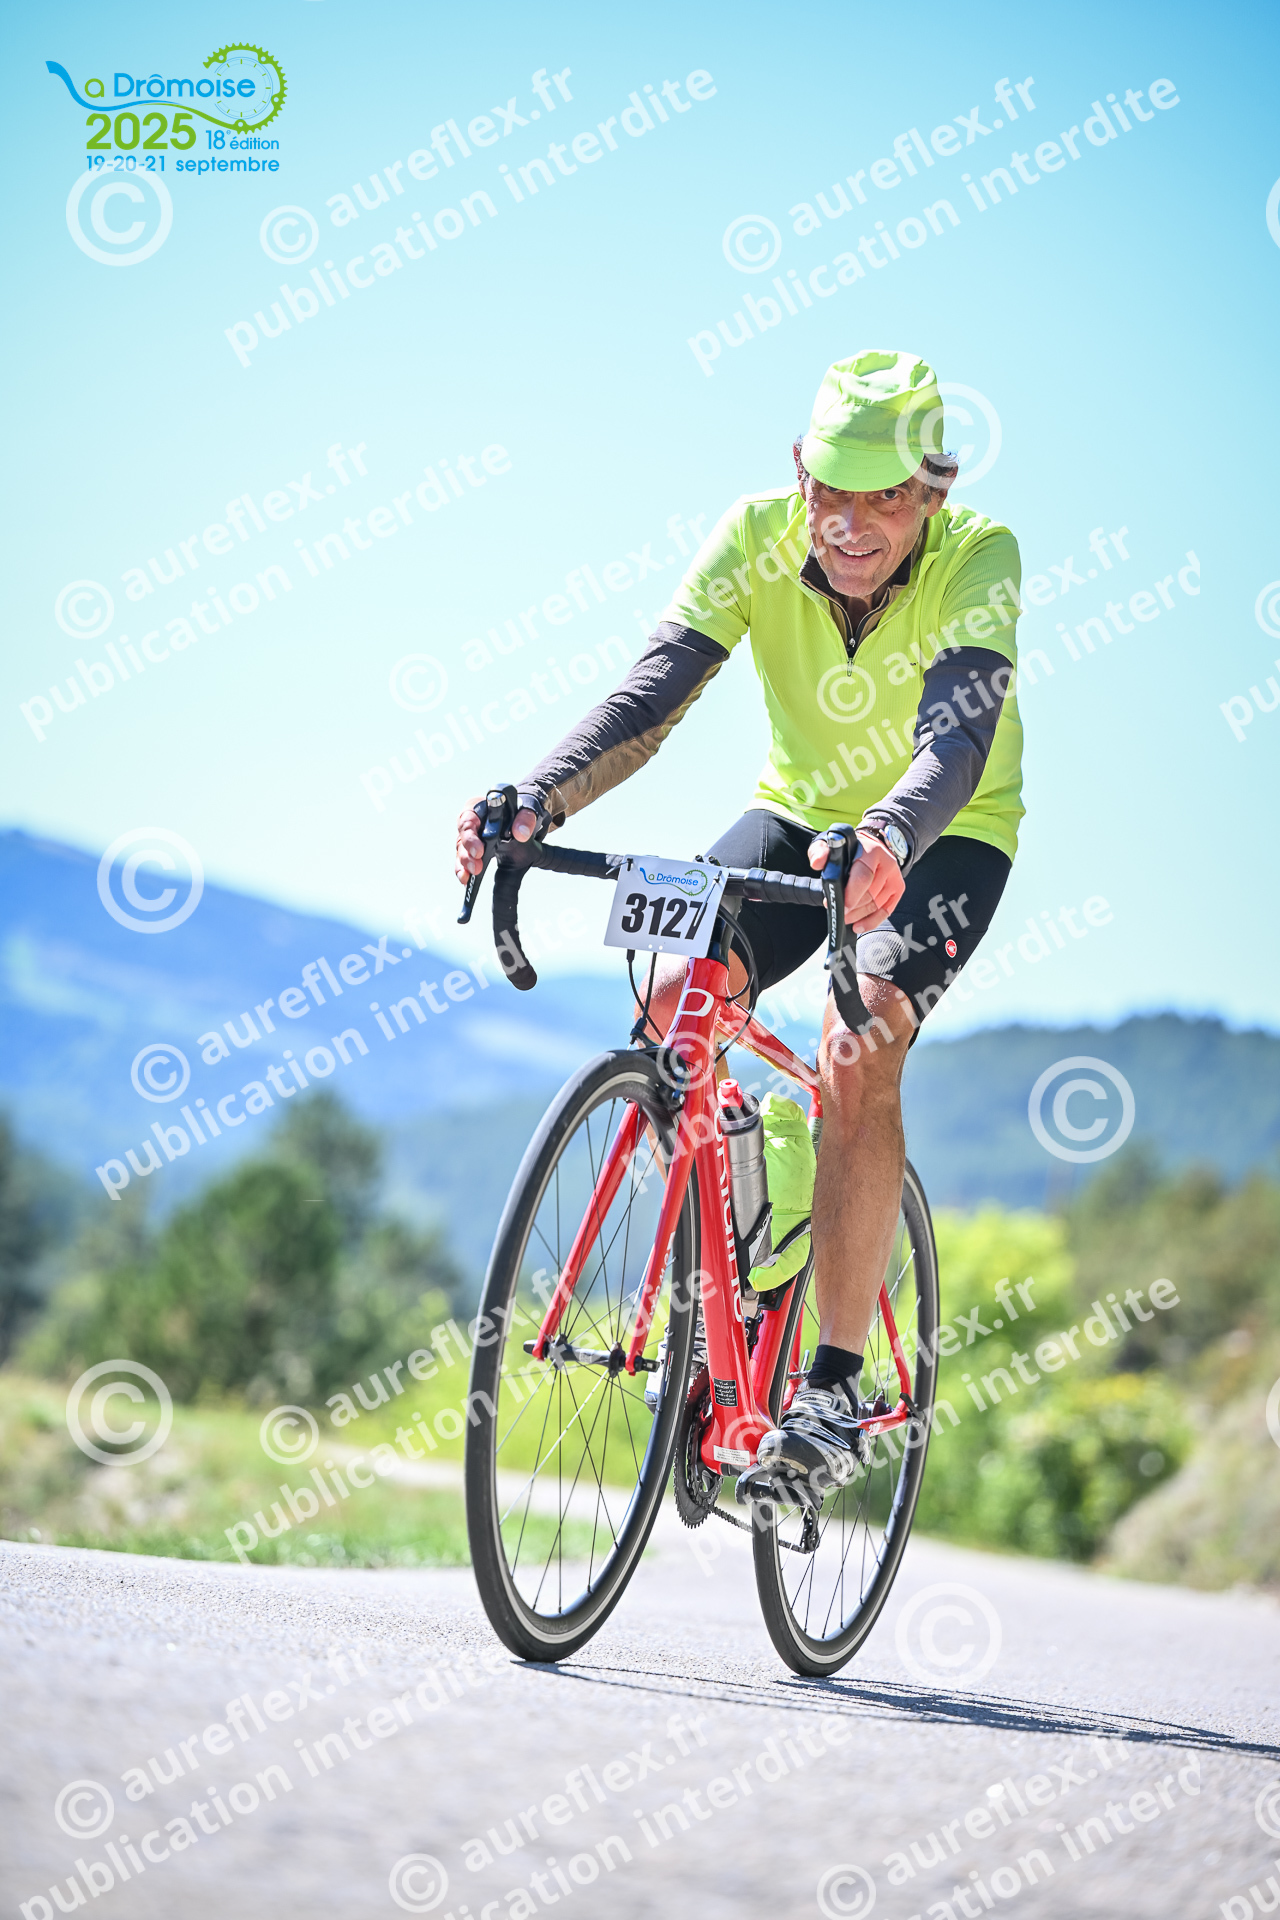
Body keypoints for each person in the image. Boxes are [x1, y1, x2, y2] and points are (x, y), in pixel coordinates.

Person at [455, 349, 1024, 1492]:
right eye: (828, 492)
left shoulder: (979, 555)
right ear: (797, 473)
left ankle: (829, 1387)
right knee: (674, 1000)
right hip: (793, 816)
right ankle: (750, 1249)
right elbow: (650, 696)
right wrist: (536, 799)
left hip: (941, 831)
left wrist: (888, 838)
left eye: (882, 498)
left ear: (931, 492)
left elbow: (955, 737)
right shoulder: (752, 533)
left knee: (856, 1040)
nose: (848, 525)